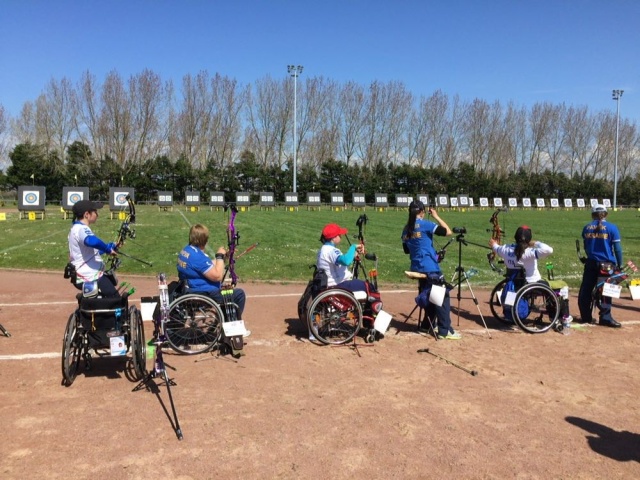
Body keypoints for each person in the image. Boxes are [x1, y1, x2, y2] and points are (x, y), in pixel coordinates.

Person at [401, 200, 461, 340]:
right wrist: (436, 216)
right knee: (442, 295)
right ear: (422, 212)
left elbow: (406, 250)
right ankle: (445, 331)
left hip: (416, 266)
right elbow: (448, 232)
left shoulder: (406, 228)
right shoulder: (425, 224)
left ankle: (426, 325)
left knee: (429, 294)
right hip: (429, 268)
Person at [177, 224, 250, 336]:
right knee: (239, 294)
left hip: (191, 288)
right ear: (205, 240)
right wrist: (219, 256)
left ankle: (227, 324)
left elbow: (207, 266)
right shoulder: (197, 257)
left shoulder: (188, 250)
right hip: (203, 293)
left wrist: (225, 257)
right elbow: (217, 276)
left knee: (230, 292)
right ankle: (233, 329)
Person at [489, 225, 572, 322]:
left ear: (515, 237)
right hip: (533, 284)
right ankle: (562, 317)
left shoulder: (505, 249)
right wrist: (535, 243)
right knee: (563, 286)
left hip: (514, 284)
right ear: (529, 239)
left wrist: (493, 243)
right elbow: (549, 250)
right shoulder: (530, 252)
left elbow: (495, 247)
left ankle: (511, 314)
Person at [578, 205, 623, 328]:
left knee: (586, 290)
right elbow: (617, 249)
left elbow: (586, 247)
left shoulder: (586, 227)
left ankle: (585, 316)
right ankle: (605, 317)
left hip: (591, 263)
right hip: (607, 265)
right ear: (606, 214)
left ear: (592, 215)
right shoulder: (612, 228)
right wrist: (621, 264)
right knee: (606, 291)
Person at [68, 199, 120, 297]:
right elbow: (92, 241)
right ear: (87, 214)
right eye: (95, 211)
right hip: (89, 276)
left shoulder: (76, 228)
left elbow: (91, 253)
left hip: (86, 275)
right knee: (116, 301)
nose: (97, 214)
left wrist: (111, 246)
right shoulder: (81, 229)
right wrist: (107, 249)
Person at [317, 223, 367, 292]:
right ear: (333, 238)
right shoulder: (330, 250)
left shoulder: (323, 249)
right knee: (368, 286)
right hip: (339, 285)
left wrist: (354, 254)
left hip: (331, 284)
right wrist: (353, 246)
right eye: (339, 235)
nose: (341, 236)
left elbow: (340, 262)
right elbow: (346, 261)